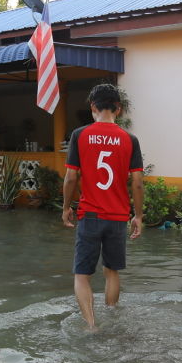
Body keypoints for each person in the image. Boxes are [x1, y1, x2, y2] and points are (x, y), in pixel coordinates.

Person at [62, 83, 144, 331]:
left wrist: (66, 206)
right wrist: (138, 216)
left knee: (82, 275)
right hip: (118, 217)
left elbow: (71, 177)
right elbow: (138, 183)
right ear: (118, 108)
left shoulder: (80, 135)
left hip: (90, 214)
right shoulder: (130, 139)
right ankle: (112, 319)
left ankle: (92, 325)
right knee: (112, 272)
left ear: (93, 107)